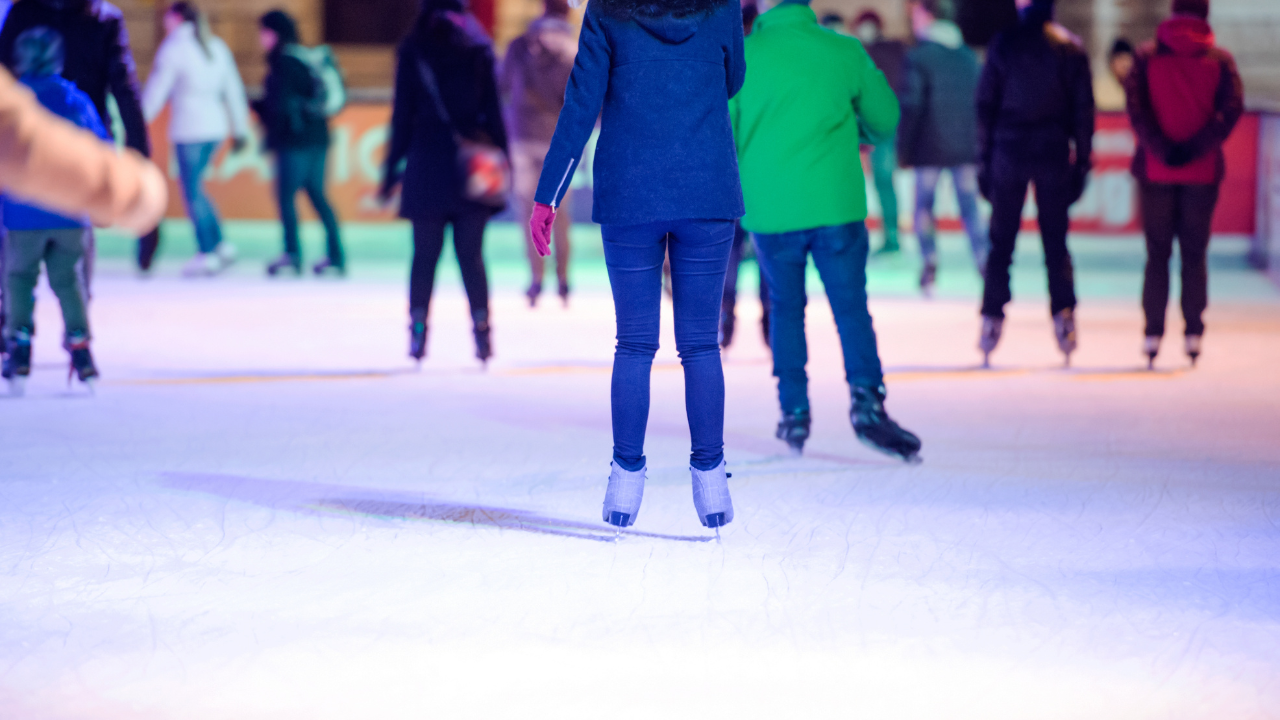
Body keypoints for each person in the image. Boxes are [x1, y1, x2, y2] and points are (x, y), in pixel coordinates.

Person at [528, 0, 745, 530]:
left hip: (630, 193)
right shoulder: (721, 9)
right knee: (699, 344)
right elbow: (732, 78)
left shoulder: (607, 11)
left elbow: (581, 103)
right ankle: (710, 478)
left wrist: (548, 194)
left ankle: (626, 478)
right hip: (705, 188)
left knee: (635, 343)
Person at [731, 0, 922, 463]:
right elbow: (886, 120)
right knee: (851, 308)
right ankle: (867, 402)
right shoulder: (844, 51)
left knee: (785, 309)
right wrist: (851, 127)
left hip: (772, 210)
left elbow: (727, 135)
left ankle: (793, 410)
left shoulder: (739, 57)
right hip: (835, 205)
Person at [0, 31, 166, 394]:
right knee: (69, 281)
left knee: (18, 279)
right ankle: (79, 342)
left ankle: (20, 341)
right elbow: (100, 145)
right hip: (69, 217)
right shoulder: (74, 99)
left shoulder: (16, 98)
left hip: (21, 217)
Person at [380, 0, 507, 365]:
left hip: (426, 163)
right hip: (472, 164)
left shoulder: (414, 47)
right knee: (472, 256)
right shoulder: (478, 46)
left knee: (424, 255)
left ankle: (418, 330)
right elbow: (494, 111)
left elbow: (401, 115)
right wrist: (503, 158)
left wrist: (391, 170)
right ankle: (482, 331)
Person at [0, 0, 162, 273]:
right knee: (72, 238)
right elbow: (125, 89)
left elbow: (126, 89)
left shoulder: (27, 11)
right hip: (80, 144)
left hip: (42, 142)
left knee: (19, 232)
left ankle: (13, 302)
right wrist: (139, 167)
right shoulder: (101, 17)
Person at [975, 0, 1093, 367]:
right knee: (1055, 242)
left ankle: (991, 318)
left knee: (1001, 242)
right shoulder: (1069, 48)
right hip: (1051, 151)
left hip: (1009, 152)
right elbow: (1083, 110)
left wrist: (984, 161)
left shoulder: (1004, 44)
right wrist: (1083, 160)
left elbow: (985, 106)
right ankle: (1064, 316)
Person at [1124, 0, 1242, 369]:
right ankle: (1193, 332)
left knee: (1157, 254)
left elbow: (1136, 109)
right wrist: (1196, 148)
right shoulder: (1220, 62)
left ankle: (1152, 333)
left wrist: (1161, 148)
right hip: (1202, 173)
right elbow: (1231, 111)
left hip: (1156, 171)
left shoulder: (1145, 58)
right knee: (1194, 255)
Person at [143, 1, 251, 278]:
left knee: (192, 191)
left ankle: (208, 251)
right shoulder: (215, 46)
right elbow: (233, 89)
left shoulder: (174, 49)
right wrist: (239, 127)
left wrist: (138, 118)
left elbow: (158, 90)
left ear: (176, 18)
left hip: (190, 129)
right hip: (214, 127)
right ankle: (219, 244)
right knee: (197, 188)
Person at [898, 0, 987, 295]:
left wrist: (904, 149)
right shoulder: (967, 57)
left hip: (929, 146)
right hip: (964, 146)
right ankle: (985, 262)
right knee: (970, 208)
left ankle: (929, 263)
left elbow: (912, 105)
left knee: (923, 206)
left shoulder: (920, 57)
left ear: (927, 15)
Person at [253, 10, 345, 277]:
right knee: (317, 195)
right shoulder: (303, 58)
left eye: (263, 32)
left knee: (286, 195)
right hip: (317, 137)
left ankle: (292, 254)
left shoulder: (284, 62)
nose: (261, 39)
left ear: (274, 33)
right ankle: (336, 255)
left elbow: (282, 105)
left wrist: (265, 116)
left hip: (295, 141)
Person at [499, 0, 576, 308]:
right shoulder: (573, 51)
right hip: (558, 142)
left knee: (529, 213)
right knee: (559, 213)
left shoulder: (519, 46)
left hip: (521, 137)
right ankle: (563, 278)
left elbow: (501, 84)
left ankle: (535, 277)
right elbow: (579, 101)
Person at [851, 10, 906, 255]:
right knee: (881, 183)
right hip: (877, 127)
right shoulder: (892, 50)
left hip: (881, 128)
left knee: (883, 182)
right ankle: (889, 237)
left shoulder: (876, 52)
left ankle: (891, 237)